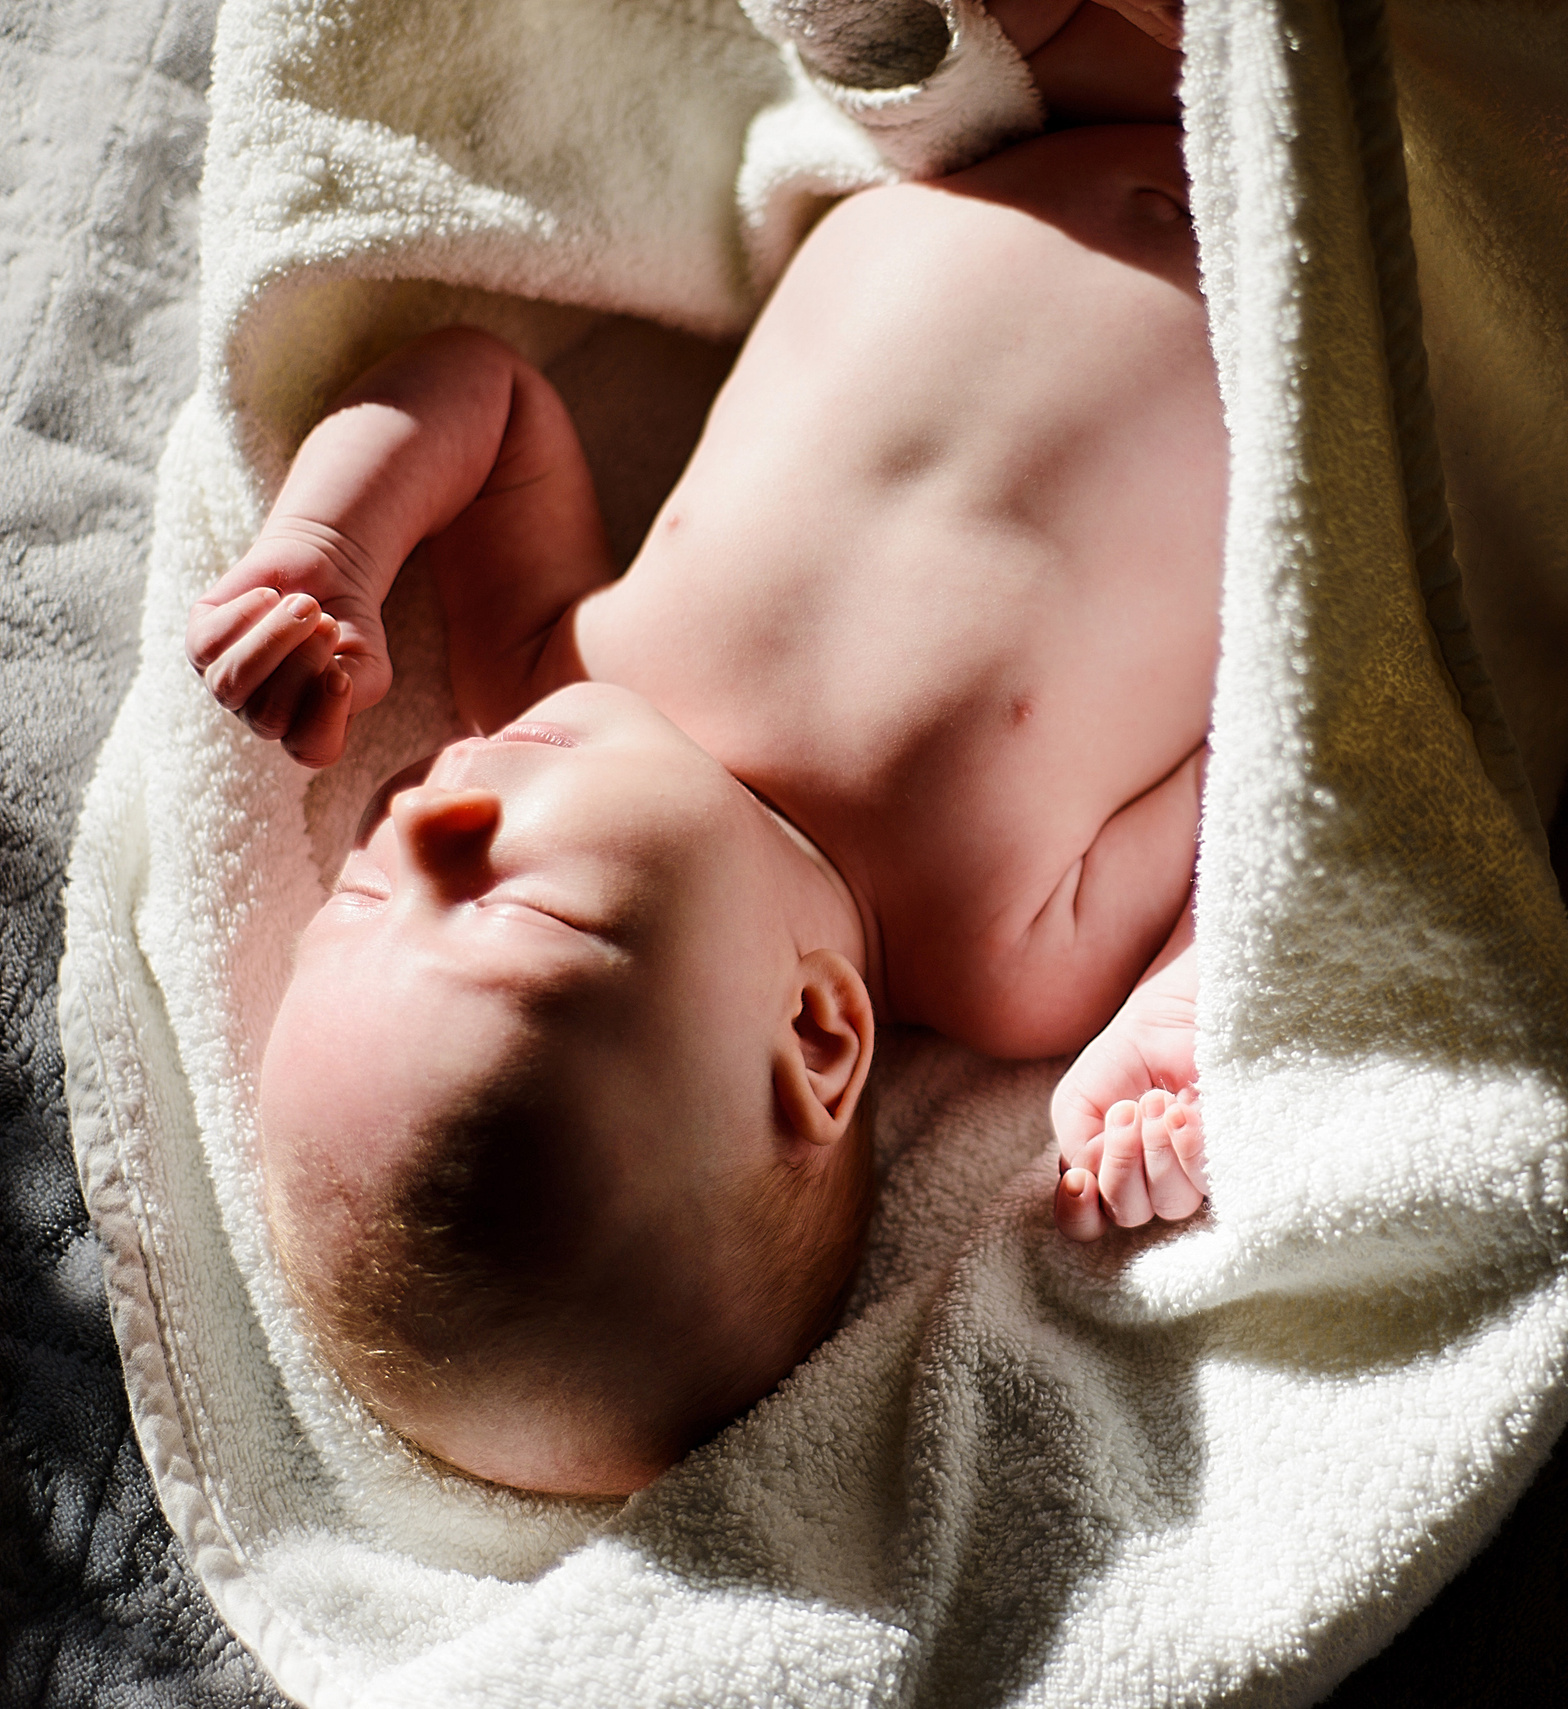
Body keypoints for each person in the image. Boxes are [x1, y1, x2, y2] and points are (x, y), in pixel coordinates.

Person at [184, 0, 1217, 1499]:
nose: (419, 823)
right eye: (505, 904)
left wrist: (326, 546)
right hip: (1320, 277)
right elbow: (1272, 775)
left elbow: (486, 391)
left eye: (364, 880)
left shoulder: (555, 674)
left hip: (1035, 98)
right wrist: (1163, 1044)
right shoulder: (1019, 951)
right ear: (816, 1036)